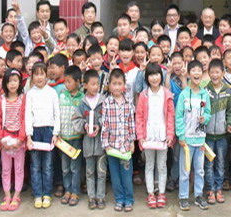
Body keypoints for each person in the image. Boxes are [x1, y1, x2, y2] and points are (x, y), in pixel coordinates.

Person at [136, 63, 176, 209]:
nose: (154, 78)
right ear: (147, 77)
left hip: (163, 136)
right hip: (148, 137)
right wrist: (140, 136)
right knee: (149, 165)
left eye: (157, 74)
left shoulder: (166, 94)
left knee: (162, 166)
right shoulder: (143, 95)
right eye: (151, 75)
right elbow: (139, 117)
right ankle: (151, 193)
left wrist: (170, 134)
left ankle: (162, 193)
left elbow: (171, 116)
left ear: (161, 76)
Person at [176, 60, 212, 211]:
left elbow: (208, 112)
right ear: (189, 74)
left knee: (200, 170)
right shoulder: (184, 94)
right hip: (187, 140)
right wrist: (181, 135)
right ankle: (183, 197)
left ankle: (198, 195)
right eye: (193, 70)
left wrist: (206, 118)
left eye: (199, 71)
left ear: (202, 74)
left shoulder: (205, 94)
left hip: (200, 139)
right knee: (185, 170)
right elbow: (179, 116)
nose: (196, 73)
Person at [25, 62, 60, 209]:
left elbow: (57, 114)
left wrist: (56, 133)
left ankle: (47, 193)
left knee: (47, 165)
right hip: (35, 132)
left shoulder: (52, 92)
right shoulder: (30, 94)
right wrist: (28, 136)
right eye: (36, 74)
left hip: (48, 131)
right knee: (35, 165)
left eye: (42, 74)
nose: (39, 77)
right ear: (32, 76)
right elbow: (28, 115)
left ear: (47, 76)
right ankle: (37, 194)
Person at [102, 68, 137, 212]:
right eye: (114, 84)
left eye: (119, 84)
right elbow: (104, 124)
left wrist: (132, 142)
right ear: (109, 85)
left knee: (126, 175)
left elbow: (131, 123)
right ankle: (119, 199)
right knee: (115, 175)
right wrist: (106, 144)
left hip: (125, 147)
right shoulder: (107, 103)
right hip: (112, 147)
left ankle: (128, 199)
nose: (116, 87)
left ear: (124, 85)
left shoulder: (128, 103)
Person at [74, 69, 107, 210]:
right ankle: (91, 197)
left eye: (97, 84)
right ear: (85, 85)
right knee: (89, 172)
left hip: (101, 144)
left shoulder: (103, 101)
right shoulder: (82, 103)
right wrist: (85, 126)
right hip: (88, 143)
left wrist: (100, 125)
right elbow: (76, 119)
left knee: (101, 171)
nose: (95, 87)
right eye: (92, 84)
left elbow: (108, 118)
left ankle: (101, 196)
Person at [0, 69, 26, 212]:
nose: (12, 84)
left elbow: (25, 119)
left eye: (15, 81)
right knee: (6, 169)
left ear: (19, 83)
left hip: (18, 139)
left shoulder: (23, 99)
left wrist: (21, 139)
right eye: (9, 81)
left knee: (19, 169)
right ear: (5, 84)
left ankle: (16, 195)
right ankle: (7, 195)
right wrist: (0, 139)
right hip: (5, 139)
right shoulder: (1, 100)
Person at [204, 59, 231, 205]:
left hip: (222, 136)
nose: (215, 75)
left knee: (221, 163)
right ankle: (210, 189)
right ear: (208, 73)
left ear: (223, 73)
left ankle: (219, 188)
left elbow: (230, 111)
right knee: (209, 164)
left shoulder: (228, 91)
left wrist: (229, 124)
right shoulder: (205, 90)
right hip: (207, 136)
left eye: (217, 72)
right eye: (212, 72)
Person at [57, 65, 85, 206]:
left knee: (75, 167)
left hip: (76, 138)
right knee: (65, 167)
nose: (66, 84)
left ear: (78, 82)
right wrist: (57, 133)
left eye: (69, 81)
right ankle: (67, 190)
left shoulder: (82, 98)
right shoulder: (62, 96)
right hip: (63, 139)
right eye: (65, 81)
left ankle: (75, 191)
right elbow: (57, 116)